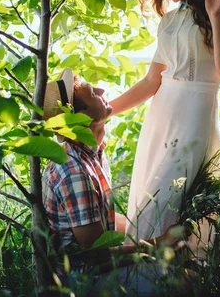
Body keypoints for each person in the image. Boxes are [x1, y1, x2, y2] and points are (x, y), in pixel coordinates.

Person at [109, 0, 220, 245]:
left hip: (195, 119)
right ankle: (156, 281)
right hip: (161, 122)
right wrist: (104, 112)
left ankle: (160, 279)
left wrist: (215, 15)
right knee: (155, 209)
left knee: (170, 212)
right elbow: (151, 82)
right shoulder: (168, 22)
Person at [42, 68, 189, 295]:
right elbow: (96, 253)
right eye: (92, 94)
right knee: (172, 282)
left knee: (186, 272)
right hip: (84, 280)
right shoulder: (74, 171)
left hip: (97, 267)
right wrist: (155, 245)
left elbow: (102, 221)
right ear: (80, 117)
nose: (102, 90)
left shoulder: (91, 153)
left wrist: (149, 230)